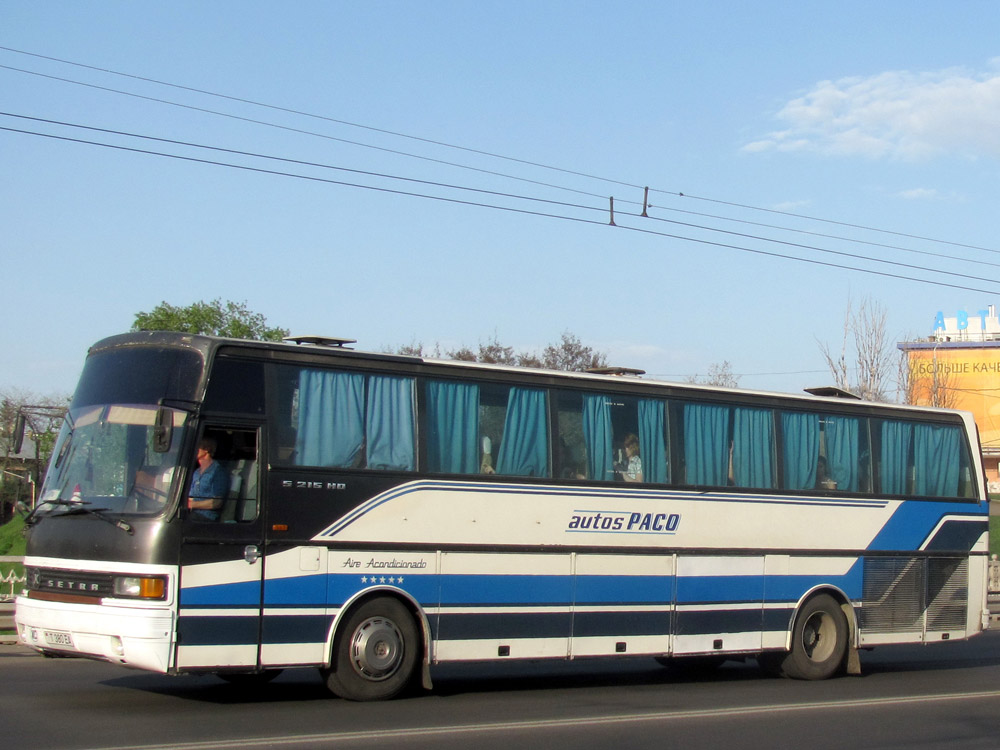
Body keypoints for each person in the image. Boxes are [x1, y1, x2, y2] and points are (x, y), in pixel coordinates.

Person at [187, 437, 229, 521]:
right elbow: (191, 497)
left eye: (197, 447)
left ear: (206, 449)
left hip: (208, 518)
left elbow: (217, 503)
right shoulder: (196, 472)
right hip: (193, 515)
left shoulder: (218, 472)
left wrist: (191, 504)